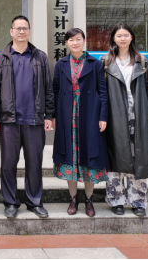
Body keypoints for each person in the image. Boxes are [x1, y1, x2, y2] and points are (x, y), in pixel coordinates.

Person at [0, 16, 55, 220]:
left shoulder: (40, 57)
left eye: (24, 28)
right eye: (17, 28)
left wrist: (49, 115)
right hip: (9, 120)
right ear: (11, 31)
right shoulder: (0, 58)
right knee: (8, 163)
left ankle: (34, 201)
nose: (21, 31)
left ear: (29, 31)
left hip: (34, 119)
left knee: (34, 163)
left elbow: (48, 88)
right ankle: (10, 202)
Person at [102, 23, 148, 217]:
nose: (123, 38)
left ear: (132, 37)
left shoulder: (141, 61)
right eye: (119, 35)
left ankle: (138, 201)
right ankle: (116, 199)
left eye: (126, 35)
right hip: (114, 115)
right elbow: (101, 92)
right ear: (114, 38)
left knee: (139, 157)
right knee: (115, 155)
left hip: (139, 114)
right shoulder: (106, 62)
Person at [52, 28, 109, 218]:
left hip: (89, 114)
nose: (75, 43)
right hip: (67, 115)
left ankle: (89, 200)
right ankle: (73, 198)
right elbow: (55, 90)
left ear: (84, 41)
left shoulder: (95, 63)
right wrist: (53, 115)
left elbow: (102, 91)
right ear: (66, 43)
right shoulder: (61, 64)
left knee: (89, 156)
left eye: (78, 39)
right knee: (70, 157)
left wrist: (103, 116)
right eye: (71, 40)